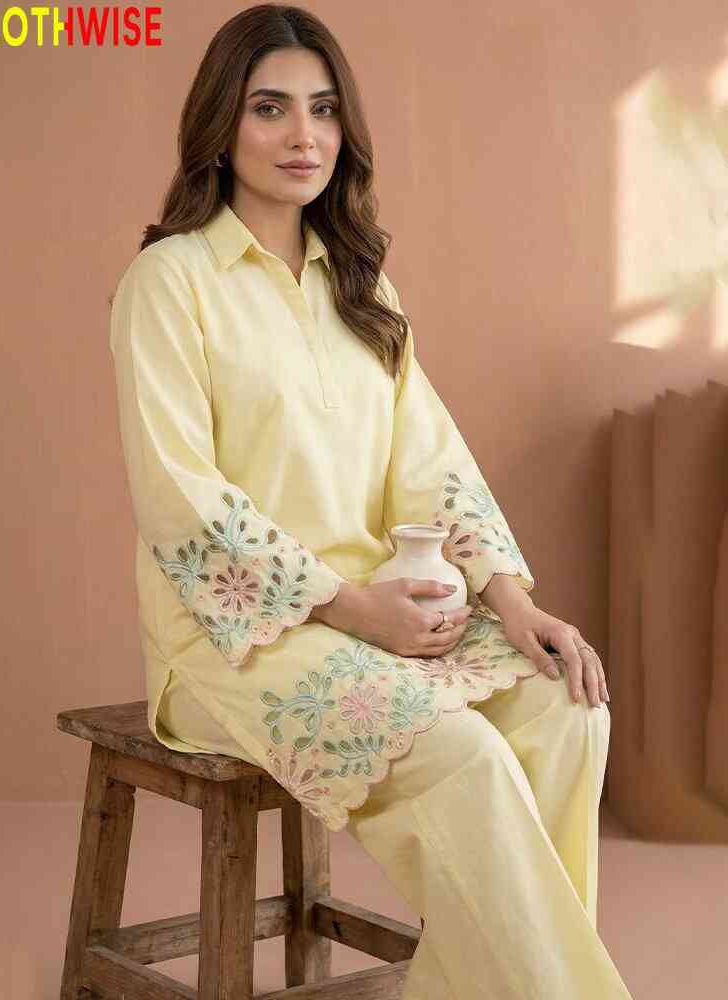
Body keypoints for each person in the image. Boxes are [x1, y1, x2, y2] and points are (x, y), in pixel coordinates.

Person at [108, 4, 632, 997]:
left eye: (324, 110)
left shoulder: (361, 287)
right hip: (234, 641)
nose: (303, 136)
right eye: (271, 109)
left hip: (381, 617)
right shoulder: (168, 285)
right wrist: (354, 610)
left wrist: (513, 602)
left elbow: (430, 458)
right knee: (467, 756)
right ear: (221, 126)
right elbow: (184, 502)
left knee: (569, 703)